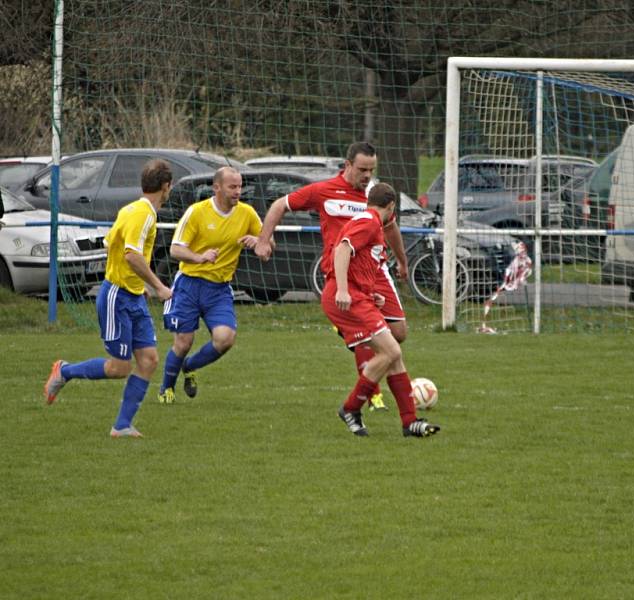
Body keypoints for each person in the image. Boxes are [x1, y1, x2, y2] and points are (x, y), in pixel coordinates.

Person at [253, 141, 408, 411]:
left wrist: (403, 263)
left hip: (375, 271)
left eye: (372, 169)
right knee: (376, 338)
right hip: (343, 274)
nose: (367, 175)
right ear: (347, 165)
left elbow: (391, 228)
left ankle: (367, 365)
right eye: (362, 169)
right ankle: (374, 397)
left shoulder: (375, 197)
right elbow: (280, 204)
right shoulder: (324, 191)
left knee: (399, 333)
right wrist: (264, 239)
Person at [44, 159, 174, 437]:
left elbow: (109, 243)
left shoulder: (132, 209)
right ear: (166, 187)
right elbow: (131, 254)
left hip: (133, 296)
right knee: (119, 368)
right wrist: (158, 287)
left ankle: (122, 426)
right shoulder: (144, 214)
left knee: (149, 360)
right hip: (118, 296)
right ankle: (64, 371)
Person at [322, 182, 440, 438]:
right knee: (391, 350)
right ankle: (351, 408)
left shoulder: (368, 219)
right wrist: (343, 289)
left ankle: (410, 422)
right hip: (344, 297)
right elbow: (342, 249)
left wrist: (367, 293)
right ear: (391, 207)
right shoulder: (370, 222)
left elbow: (358, 262)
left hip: (358, 296)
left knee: (393, 353)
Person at [158, 166, 265, 404]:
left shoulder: (247, 214)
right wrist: (199, 257)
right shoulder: (197, 212)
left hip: (219, 289)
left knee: (225, 339)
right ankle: (166, 388)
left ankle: (190, 366)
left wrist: (258, 241)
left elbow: (267, 248)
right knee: (183, 342)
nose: (238, 191)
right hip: (189, 285)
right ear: (217, 188)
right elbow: (175, 249)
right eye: (232, 187)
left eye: (240, 186)